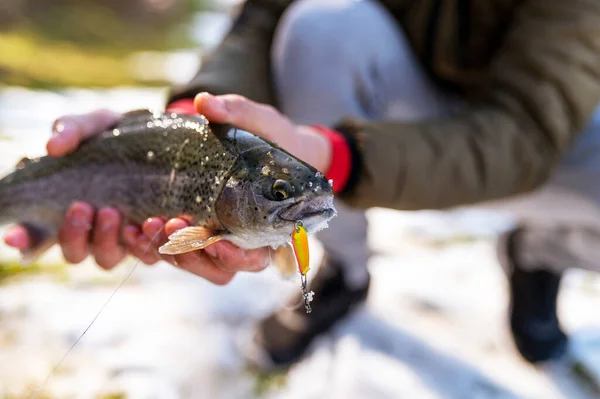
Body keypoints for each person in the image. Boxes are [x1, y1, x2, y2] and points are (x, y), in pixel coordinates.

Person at [5, 0, 600, 370]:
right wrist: (198, 116)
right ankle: (341, 271)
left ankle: (541, 251)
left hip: (547, 131)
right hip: (381, 82)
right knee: (320, 24)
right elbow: (263, 15)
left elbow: (526, 131)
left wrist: (340, 156)